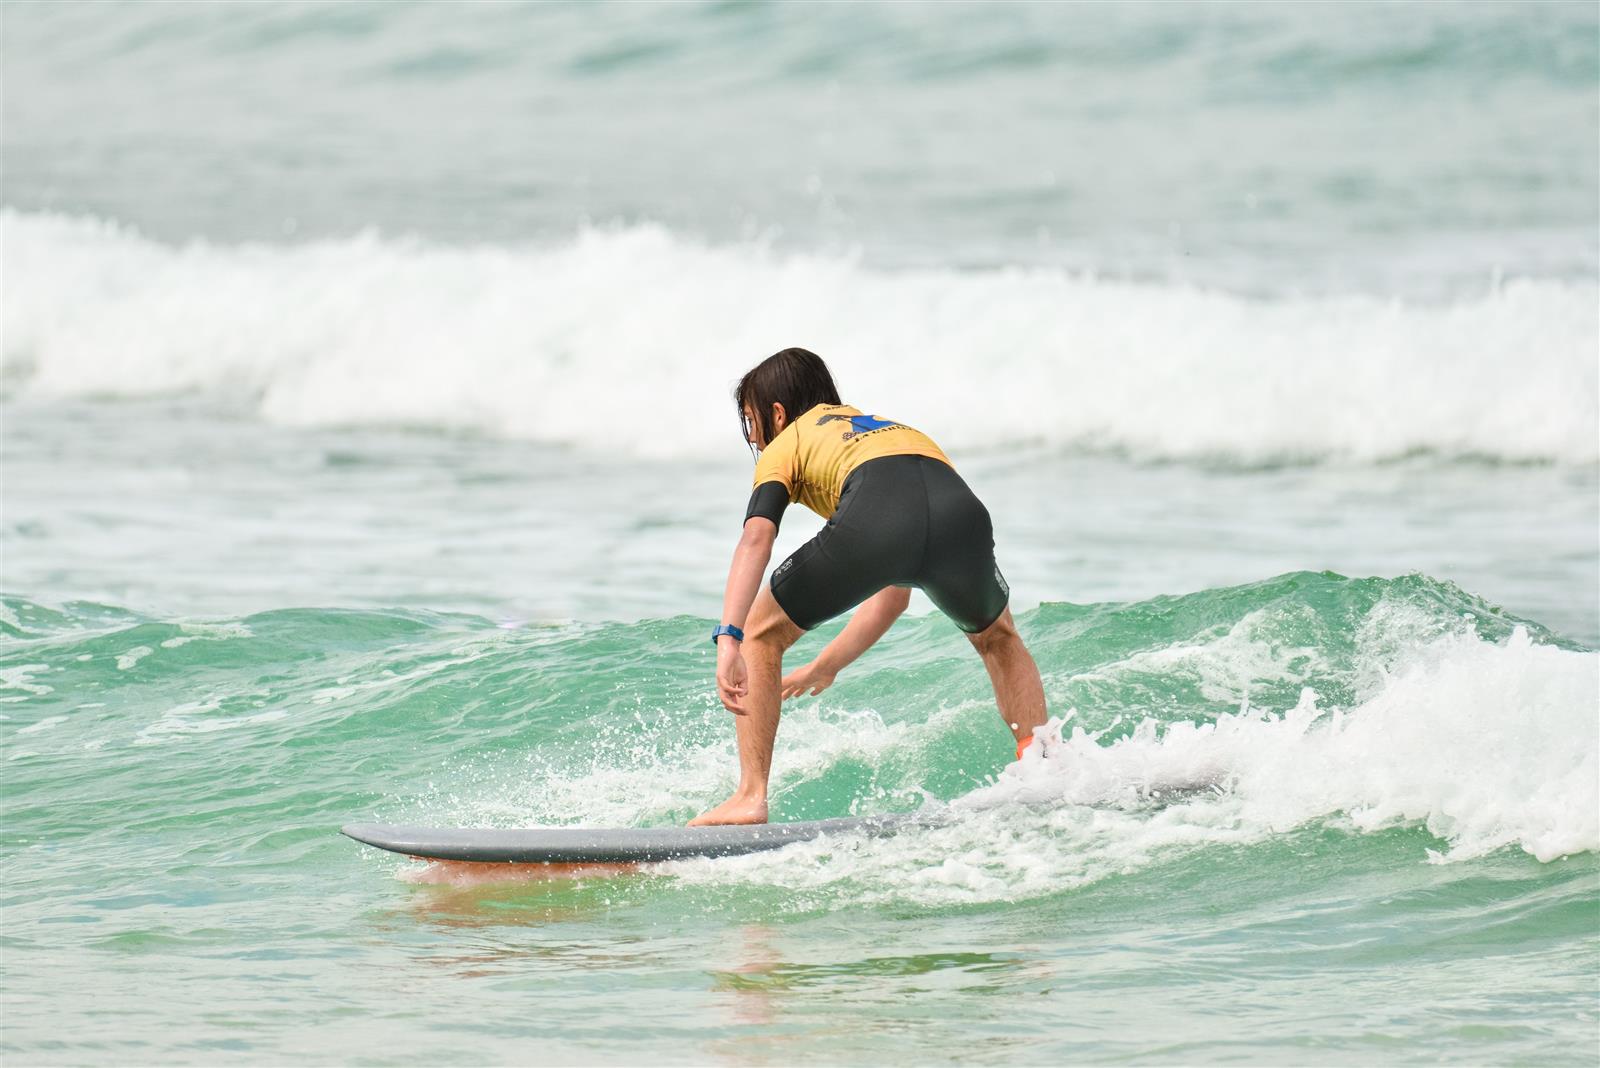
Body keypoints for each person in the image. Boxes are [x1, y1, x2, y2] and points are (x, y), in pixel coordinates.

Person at [691, 347, 1048, 827]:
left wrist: (730, 636)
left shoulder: (787, 442)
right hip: (960, 509)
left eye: (751, 423)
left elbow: (758, 535)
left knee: (761, 630)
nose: (754, 439)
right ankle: (1045, 769)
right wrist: (825, 665)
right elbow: (895, 589)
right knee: (998, 637)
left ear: (777, 414)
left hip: (879, 506)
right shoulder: (885, 428)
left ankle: (750, 796)